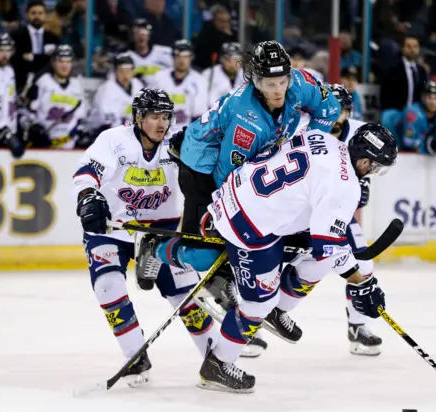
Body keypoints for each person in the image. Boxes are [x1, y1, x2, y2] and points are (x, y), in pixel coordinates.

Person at [142, 41, 341, 343]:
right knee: (207, 254)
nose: (278, 90)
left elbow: (330, 109)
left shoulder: (301, 82)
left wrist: (306, 148)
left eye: (282, 81)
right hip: (202, 169)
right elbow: (228, 179)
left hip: (252, 162)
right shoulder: (246, 120)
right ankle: (154, 247)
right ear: (255, 82)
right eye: (268, 84)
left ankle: (254, 291)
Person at [194, 124, 396, 392]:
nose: (373, 173)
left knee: (318, 259)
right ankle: (217, 364)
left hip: (234, 192)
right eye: (375, 167)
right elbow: (331, 247)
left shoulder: (324, 138)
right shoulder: (345, 187)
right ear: (365, 160)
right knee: (258, 303)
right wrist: (361, 283)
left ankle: (278, 309)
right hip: (247, 226)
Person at [72, 89, 218, 388]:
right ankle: (134, 355)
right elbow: (88, 173)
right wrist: (88, 197)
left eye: (165, 116)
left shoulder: (176, 145)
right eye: (154, 116)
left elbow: (208, 178)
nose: (161, 123)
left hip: (159, 234)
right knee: (107, 285)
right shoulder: (114, 140)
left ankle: (217, 358)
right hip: (112, 231)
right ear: (138, 118)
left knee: (186, 295)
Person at [20, 45, 86, 149]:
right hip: (44, 147)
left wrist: (81, 132)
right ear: (53, 62)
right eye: (60, 61)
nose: (64, 66)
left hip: (70, 148)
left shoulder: (77, 85)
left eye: (68, 61)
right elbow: (24, 112)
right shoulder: (42, 82)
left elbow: (81, 117)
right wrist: (34, 128)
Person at [150, 39, 208, 133]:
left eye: (185, 56)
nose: (182, 60)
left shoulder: (199, 80)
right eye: (178, 56)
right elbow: (152, 109)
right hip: (160, 131)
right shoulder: (159, 77)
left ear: (191, 57)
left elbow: (199, 116)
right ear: (173, 57)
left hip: (186, 133)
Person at [89, 53, 144, 133]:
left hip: (127, 129)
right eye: (121, 71)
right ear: (115, 71)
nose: (125, 74)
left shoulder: (137, 85)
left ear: (133, 71)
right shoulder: (107, 89)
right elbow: (108, 121)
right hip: (100, 131)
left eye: (128, 70)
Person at [401, 80, 436, 157]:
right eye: (429, 98)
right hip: (402, 152)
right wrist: (430, 147)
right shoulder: (412, 113)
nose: (433, 102)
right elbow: (408, 141)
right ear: (423, 98)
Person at [202, 41, 243, 108]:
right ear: (221, 59)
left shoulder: (246, 76)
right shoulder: (209, 74)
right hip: (214, 114)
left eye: (235, 59)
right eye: (227, 59)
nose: (232, 64)